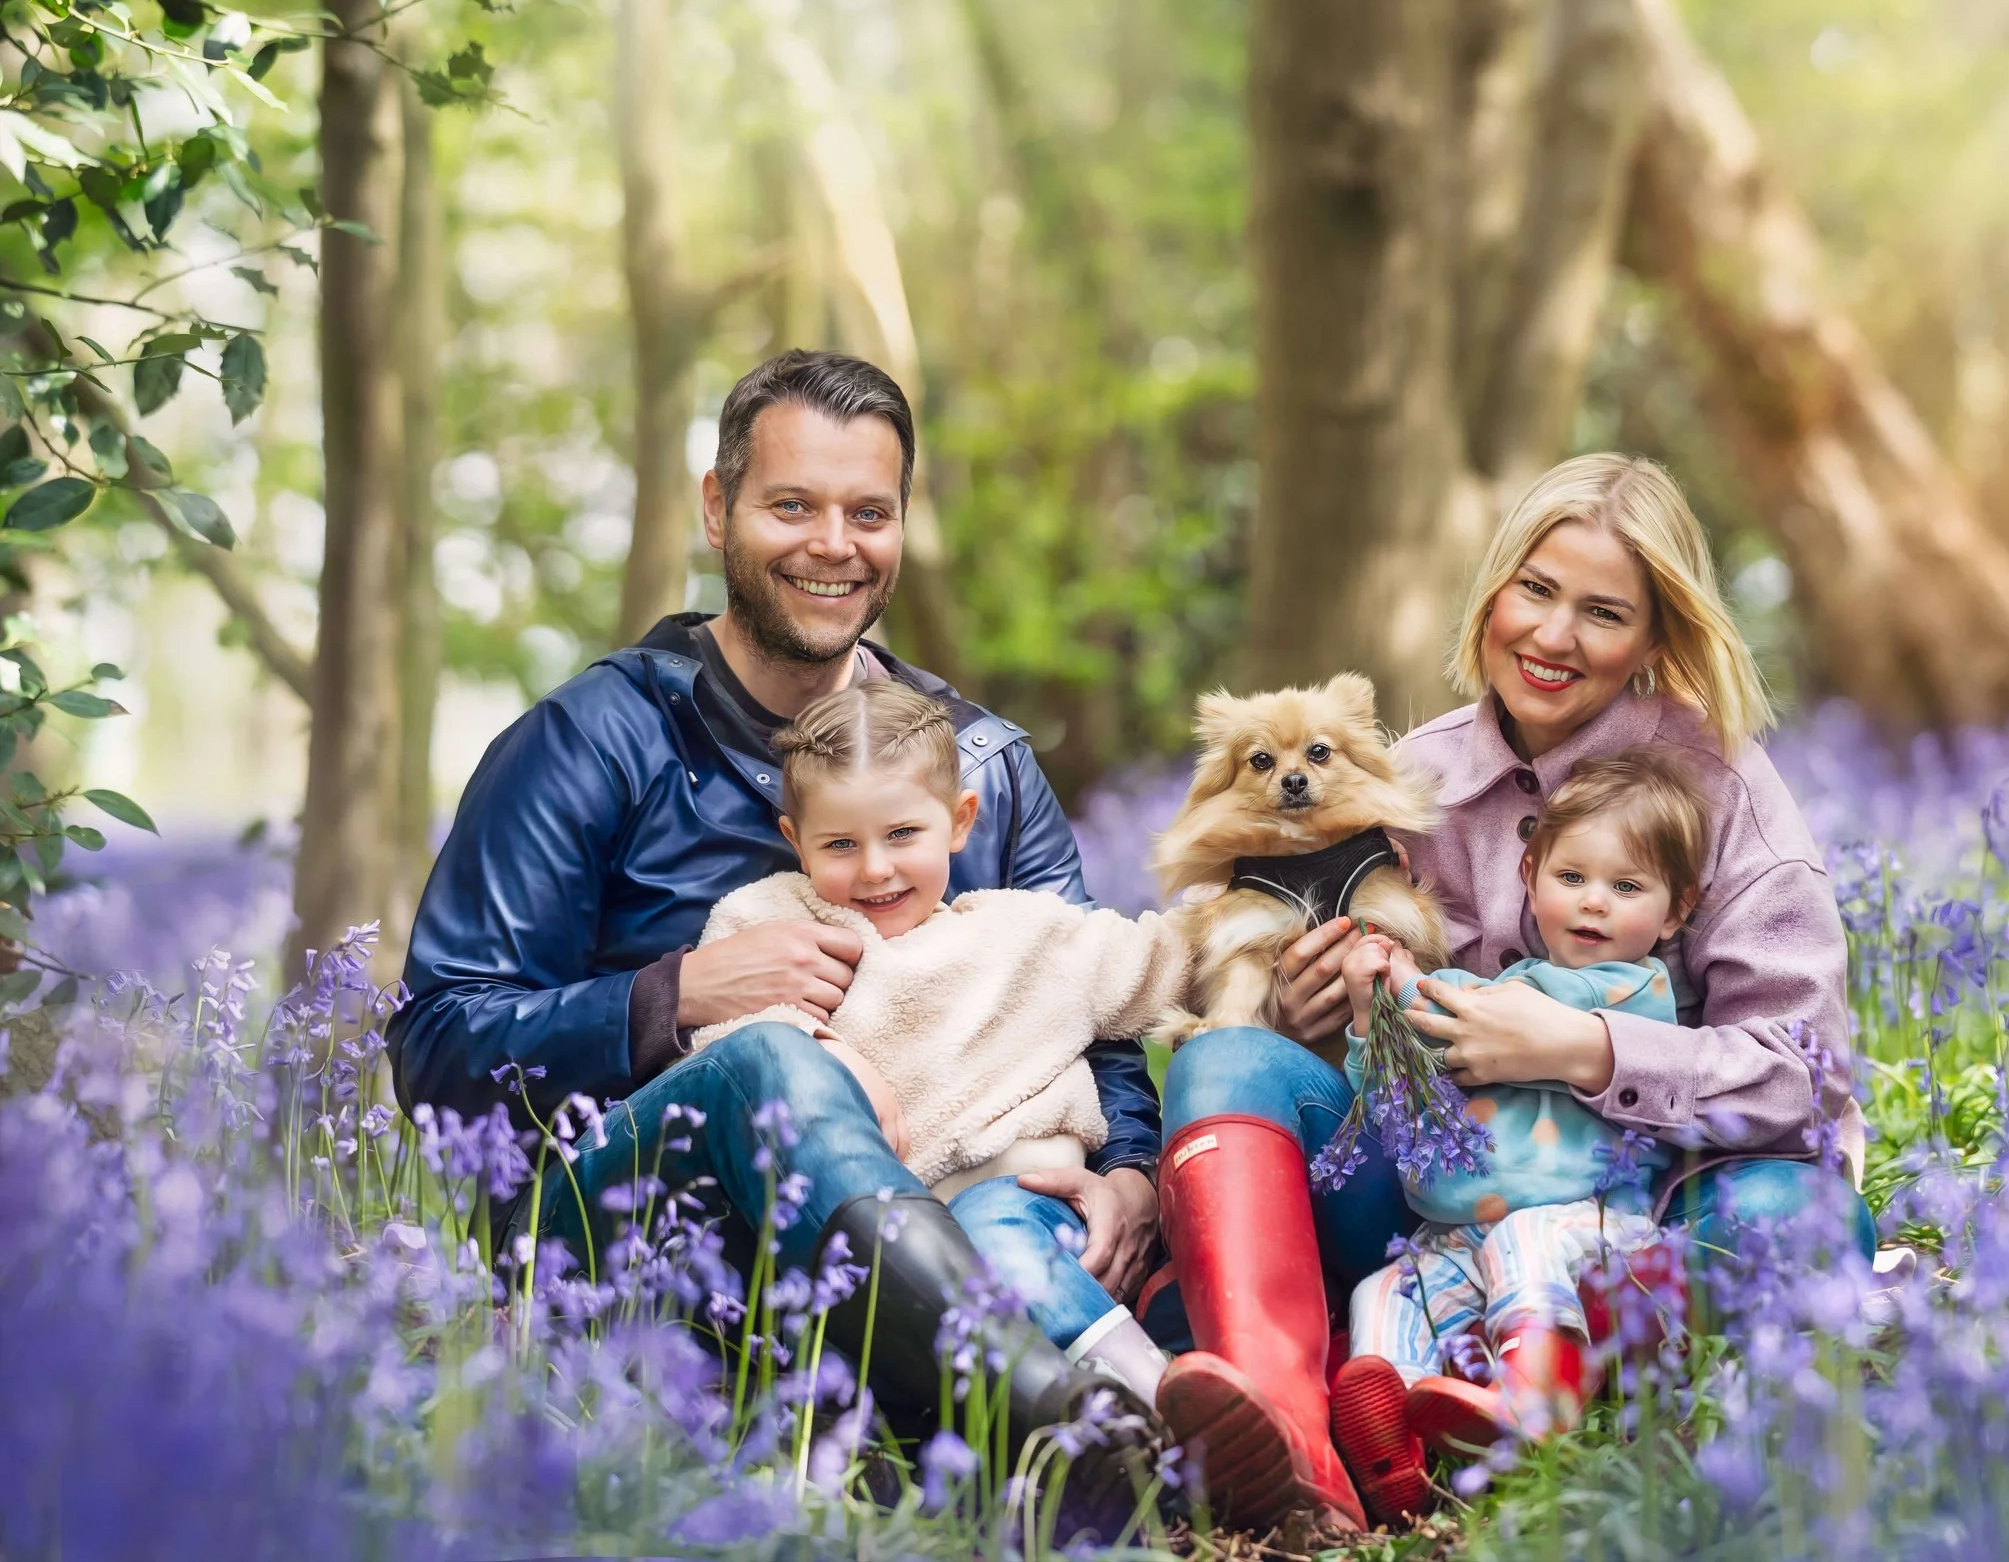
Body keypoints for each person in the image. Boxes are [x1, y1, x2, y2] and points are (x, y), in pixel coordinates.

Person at [386, 350, 1164, 1479]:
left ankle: (1040, 1423)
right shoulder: (590, 741)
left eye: (868, 512)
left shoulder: (981, 763)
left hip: (957, 1213)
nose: (832, 544)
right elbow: (437, 1039)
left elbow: (1099, 1012)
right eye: (791, 504)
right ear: (718, 507)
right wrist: (675, 997)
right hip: (635, 1244)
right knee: (768, 1066)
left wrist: (1131, 1173)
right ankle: (1055, 1419)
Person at [1153, 453, 1871, 1530]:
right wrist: (1316, 1018)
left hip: (1652, 1201)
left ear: (1655, 637)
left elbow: (1802, 1079)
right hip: (1440, 1203)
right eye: (1533, 590)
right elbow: (1347, 1010)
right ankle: (1290, 1428)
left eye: (1602, 611)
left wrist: (1584, 1047)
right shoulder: (1405, 778)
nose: (1551, 634)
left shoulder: (1722, 787)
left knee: (1785, 1218)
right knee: (1221, 1059)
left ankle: (1539, 1392)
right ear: (1492, 591)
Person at [681, 681, 1186, 1405]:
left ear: (959, 820)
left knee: (998, 1237)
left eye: (903, 835)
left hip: (1033, 1201)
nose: (875, 868)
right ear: (795, 839)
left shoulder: (1023, 932)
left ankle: (1161, 1403)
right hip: (886, 1249)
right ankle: (1116, 1411)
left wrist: (1277, 926)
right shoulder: (772, 922)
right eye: (841, 844)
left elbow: (1161, 963)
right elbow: (727, 1047)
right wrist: (822, 1045)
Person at [1326, 747, 1704, 1522]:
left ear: (1675, 910)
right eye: (1572, 878)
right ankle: (1392, 1444)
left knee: (1523, 1244)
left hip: (1589, 1227)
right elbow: (1401, 1092)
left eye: (1626, 886)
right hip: (1455, 1233)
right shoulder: (1496, 993)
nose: (1594, 902)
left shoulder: (1635, 989)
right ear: (1529, 877)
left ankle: (1534, 1409)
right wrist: (1375, 1011)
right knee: (1390, 1289)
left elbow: (1518, 1004)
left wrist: (1424, 989)